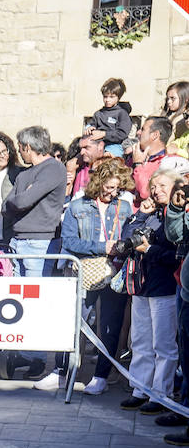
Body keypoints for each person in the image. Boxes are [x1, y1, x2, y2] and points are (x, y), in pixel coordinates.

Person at [3, 126, 73, 389]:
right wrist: (20, 198)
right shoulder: (24, 173)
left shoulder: (53, 168)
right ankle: (25, 351)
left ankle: (37, 356)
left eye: (21, 147)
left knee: (35, 300)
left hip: (40, 242)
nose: (20, 151)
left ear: (28, 146)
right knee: (19, 300)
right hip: (18, 240)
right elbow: (10, 203)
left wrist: (21, 198)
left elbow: (21, 202)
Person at [61, 160, 133, 397]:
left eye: (117, 188)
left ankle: (101, 376)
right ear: (98, 183)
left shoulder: (123, 207)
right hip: (85, 271)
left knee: (109, 326)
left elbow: (129, 238)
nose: (112, 193)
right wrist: (102, 247)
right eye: (109, 187)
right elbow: (69, 242)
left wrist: (120, 247)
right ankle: (64, 371)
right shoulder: (77, 206)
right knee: (74, 323)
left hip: (113, 273)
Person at [118, 170, 183, 414]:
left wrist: (149, 251)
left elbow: (175, 255)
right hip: (141, 286)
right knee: (141, 341)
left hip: (165, 287)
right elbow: (125, 240)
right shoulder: (151, 213)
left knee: (163, 344)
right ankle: (140, 388)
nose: (156, 190)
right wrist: (140, 214)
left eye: (162, 185)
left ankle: (161, 394)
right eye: (154, 186)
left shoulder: (176, 216)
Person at [88, 78, 132, 157]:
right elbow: (91, 124)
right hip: (97, 144)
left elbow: (122, 133)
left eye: (111, 97)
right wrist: (89, 128)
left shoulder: (122, 113)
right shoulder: (98, 114)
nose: (107, 100)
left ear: (118, 97)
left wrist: (104, 134)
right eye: (105, 97)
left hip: (115, 146)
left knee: (107, 158)